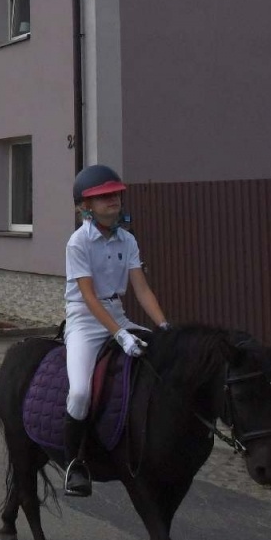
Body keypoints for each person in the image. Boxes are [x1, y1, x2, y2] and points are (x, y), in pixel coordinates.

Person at [61, 164, 170, 498]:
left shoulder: (128, 239)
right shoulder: (78, 242)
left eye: (115, 195)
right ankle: (74, 463)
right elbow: (89, 296)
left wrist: (164, 326)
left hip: (117, 313)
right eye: (103, 197)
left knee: (162, 362)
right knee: (80, 392)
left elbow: (142, 290)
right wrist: (119, 336)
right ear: (86, 206)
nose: (113, 201)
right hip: (84, 320)